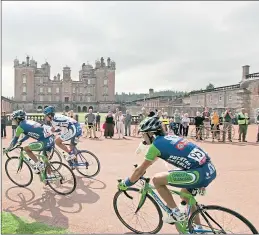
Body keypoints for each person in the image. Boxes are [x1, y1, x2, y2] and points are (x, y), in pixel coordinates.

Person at [118, 116, 216, 229]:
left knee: (157, 180)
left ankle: (175, 213)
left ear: (151, 134)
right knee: (186, 195)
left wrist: (125, 184)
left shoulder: (156, 146)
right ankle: (198, 228)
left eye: (144, 134)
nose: (143, 138)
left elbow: (140, 170)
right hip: (208, 169)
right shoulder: (170, 137)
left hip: (197, 174)